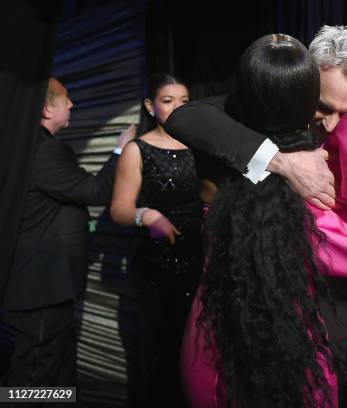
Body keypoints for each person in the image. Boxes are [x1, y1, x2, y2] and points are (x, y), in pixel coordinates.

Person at [178, 31, 347, 407]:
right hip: (271, 326)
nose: (331, 125)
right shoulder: (266, 119)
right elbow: (187, 117)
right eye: (323, 107)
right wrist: (281, 162)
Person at [1, 77, 134, 389]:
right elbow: (95, 190)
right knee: (32, 379)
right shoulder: (42, 150)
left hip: (42, 285)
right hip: (41, 289)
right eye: (66, 98)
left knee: (56, 372)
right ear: (46, 109)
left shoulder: (22, 146)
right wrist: (120, 149)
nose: (72, 104)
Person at [110, 74, 204, 405]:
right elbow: (119, 209)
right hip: (158, 267)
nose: (178, 107)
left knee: (198, 355)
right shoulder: (138, 149)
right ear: (150, 106)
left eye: (184, 100)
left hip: (201, 261)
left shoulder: (201, 144)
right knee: (163, 353)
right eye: (168, 100)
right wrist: (147, 215)